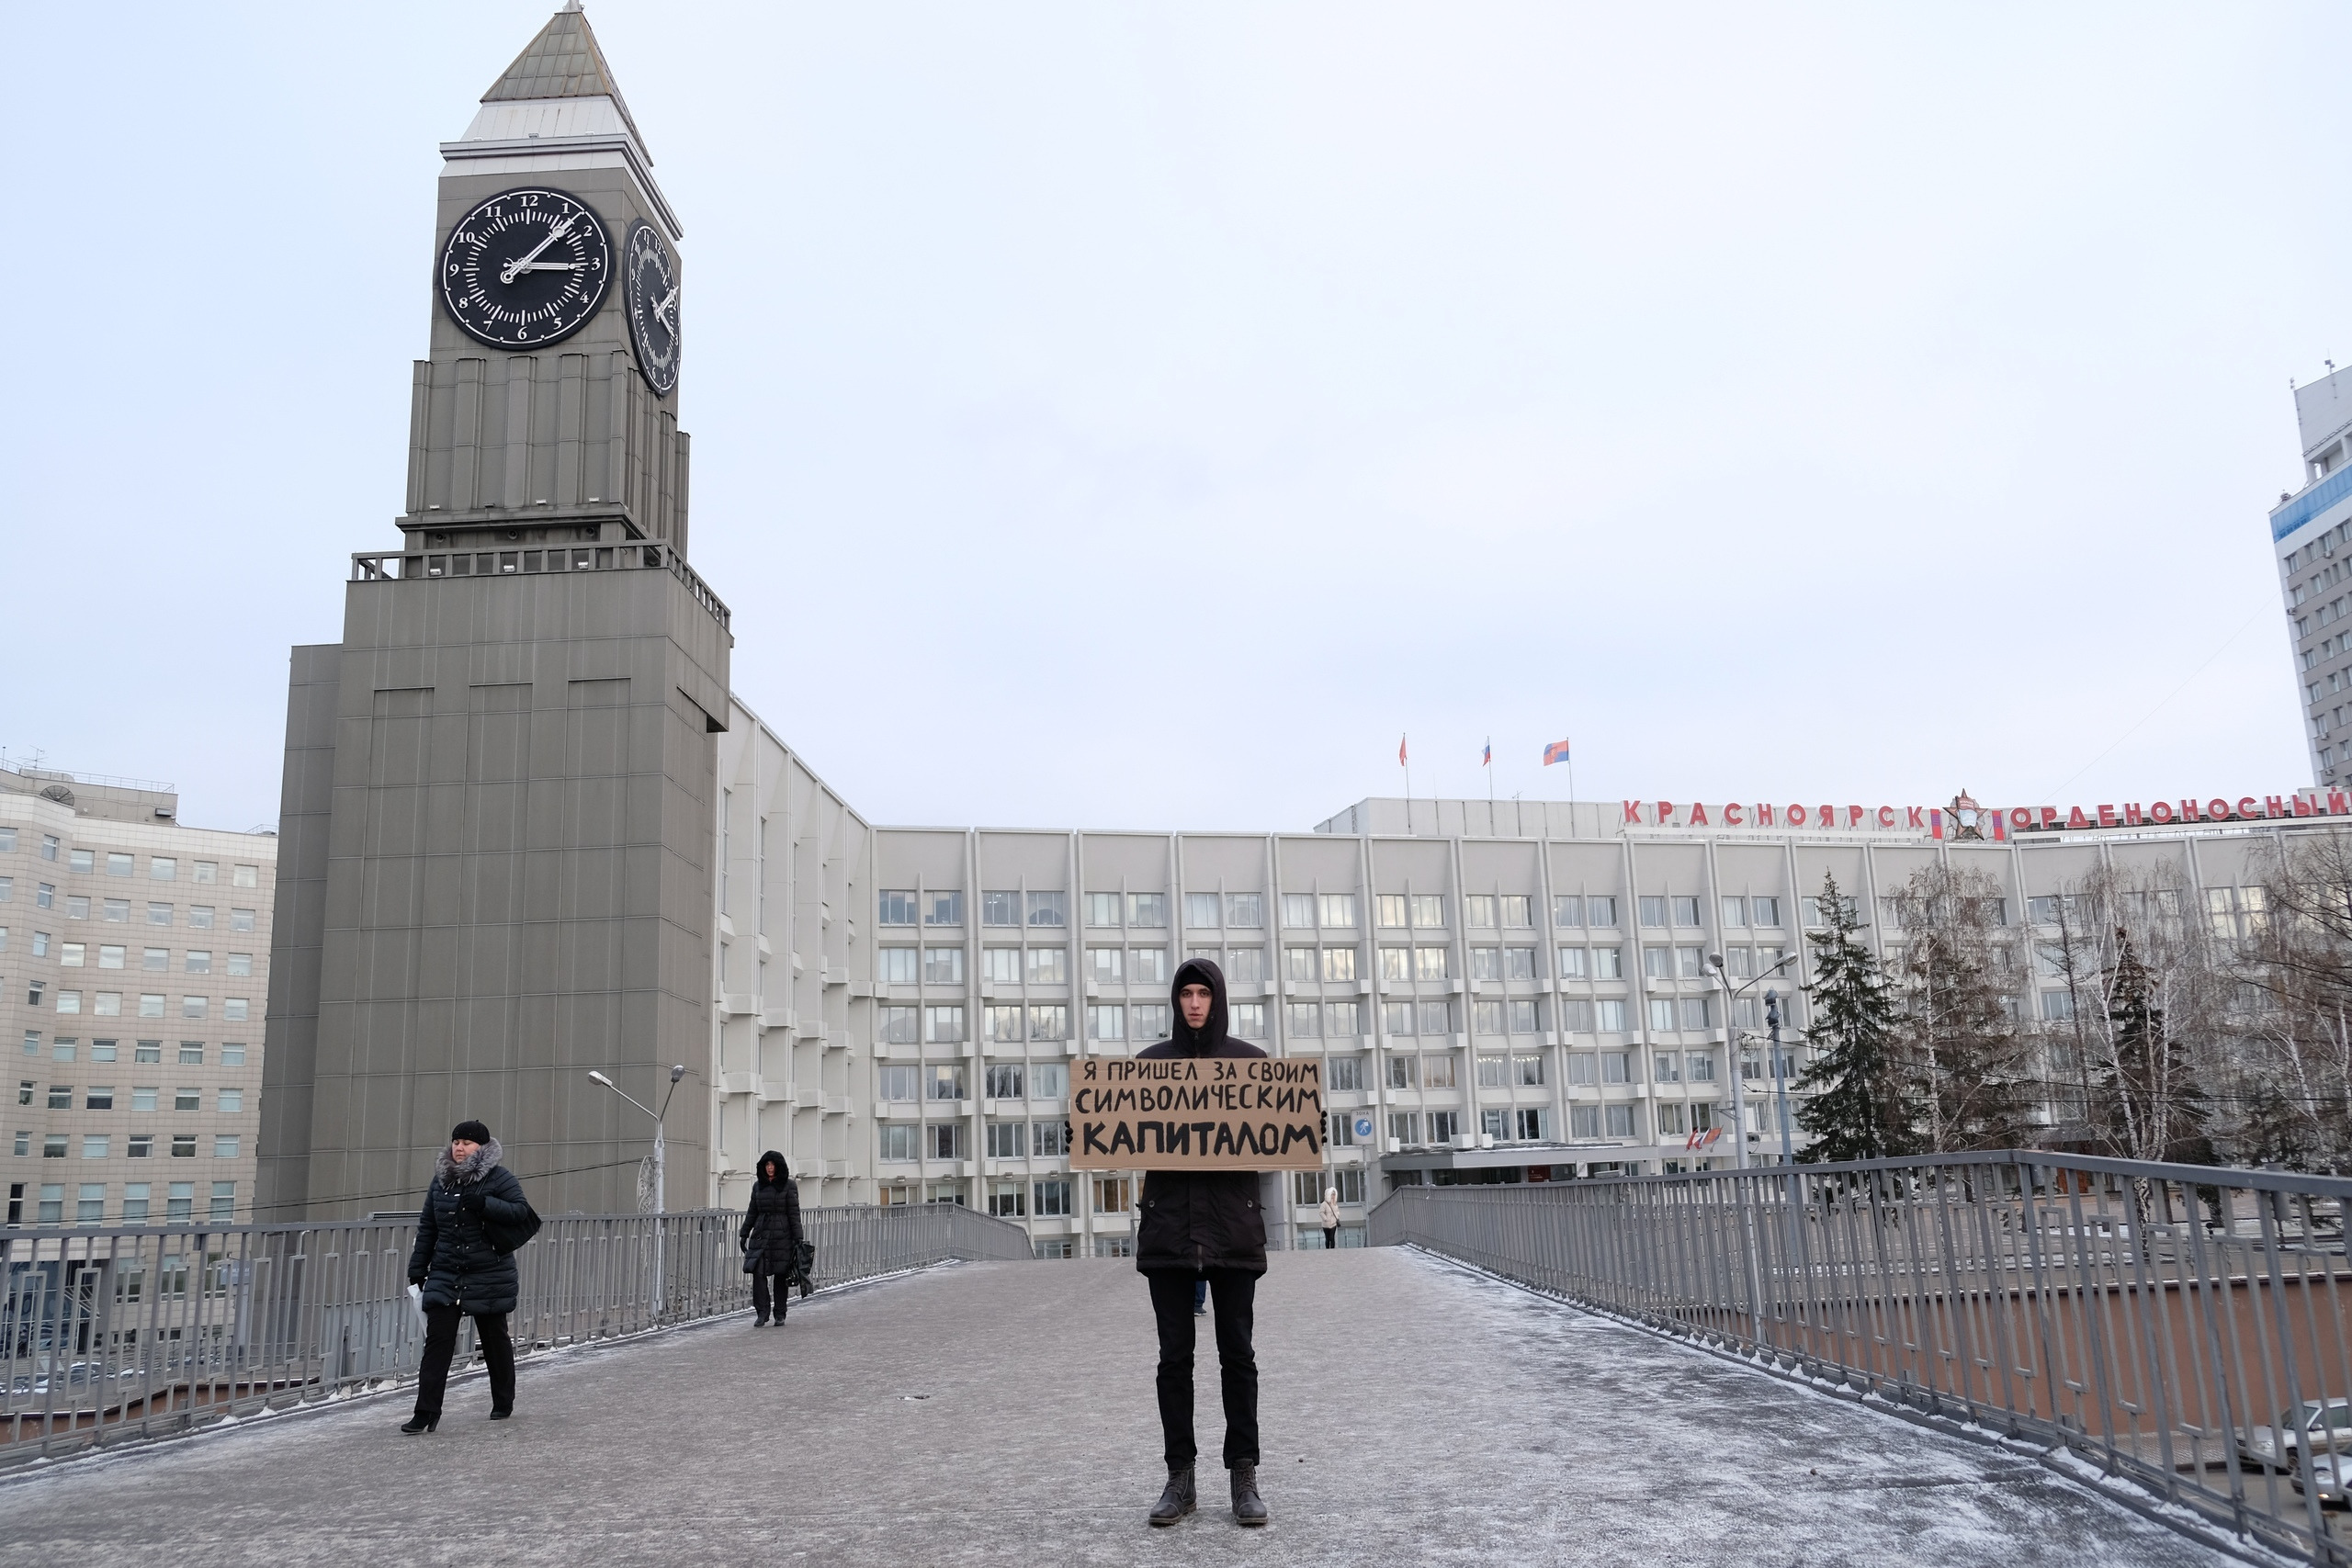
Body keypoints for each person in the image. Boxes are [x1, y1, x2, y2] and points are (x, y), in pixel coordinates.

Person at [1136, 957, 1269, 1529]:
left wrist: (1307, 1118)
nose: (1194, 1003)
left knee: (1237, 1357)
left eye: (1203, 993)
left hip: (1231, 1229)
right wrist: (1085, 1131)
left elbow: (1279, 1134)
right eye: (1185, 993)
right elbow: (1116, 1134)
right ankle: (1180, 1479)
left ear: (1218, 1000)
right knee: (1174, 1361)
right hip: (1169, 1230)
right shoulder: (1146, 1069)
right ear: (1176, 1000)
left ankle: (1244, 1477)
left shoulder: (1252, 1065)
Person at [403, 1120, 532, 1433]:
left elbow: (521, 1212)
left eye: (467, 1143)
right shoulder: (441, 1182)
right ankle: (426, 1412)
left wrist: (486, 1204)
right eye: (456, 1141)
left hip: (489, 1272)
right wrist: (417, 1267)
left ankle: (503, 1400)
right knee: (437, 1344)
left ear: (482, 1148)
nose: (459, 1148)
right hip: (447, 1273)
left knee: (494, 1342)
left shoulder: (499, 1178)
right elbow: (429, 1227)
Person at [740, 1149, 804, 1326]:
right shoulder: (758, 1186)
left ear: (778, 1167)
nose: (769, 1168)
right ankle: (762, 1313)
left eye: (772, 1165)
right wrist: (744, 1233)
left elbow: (794, 1213)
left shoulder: (789, 1186)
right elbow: (752, 1211)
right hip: (761, 1235)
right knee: (758, 1273)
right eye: (767, 1165)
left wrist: (798, 1237)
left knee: (780, 1275)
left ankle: (780, 1313)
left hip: (783, 1236)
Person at [1319, 1186, 1340, 1250]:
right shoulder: (1324, 1204)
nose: (1333, 1196)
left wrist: (1338, 1215)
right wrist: (1325, 1219)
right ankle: (1327, 1249)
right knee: (1327, 1238)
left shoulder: (1335, 1204)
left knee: (1332, 1237)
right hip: (1326, 1224)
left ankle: (1332, 1250)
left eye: (1334, 1194)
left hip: (1333, 1223)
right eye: (1332, 1194)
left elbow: (1337, 1211)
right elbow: (1321, 1212)